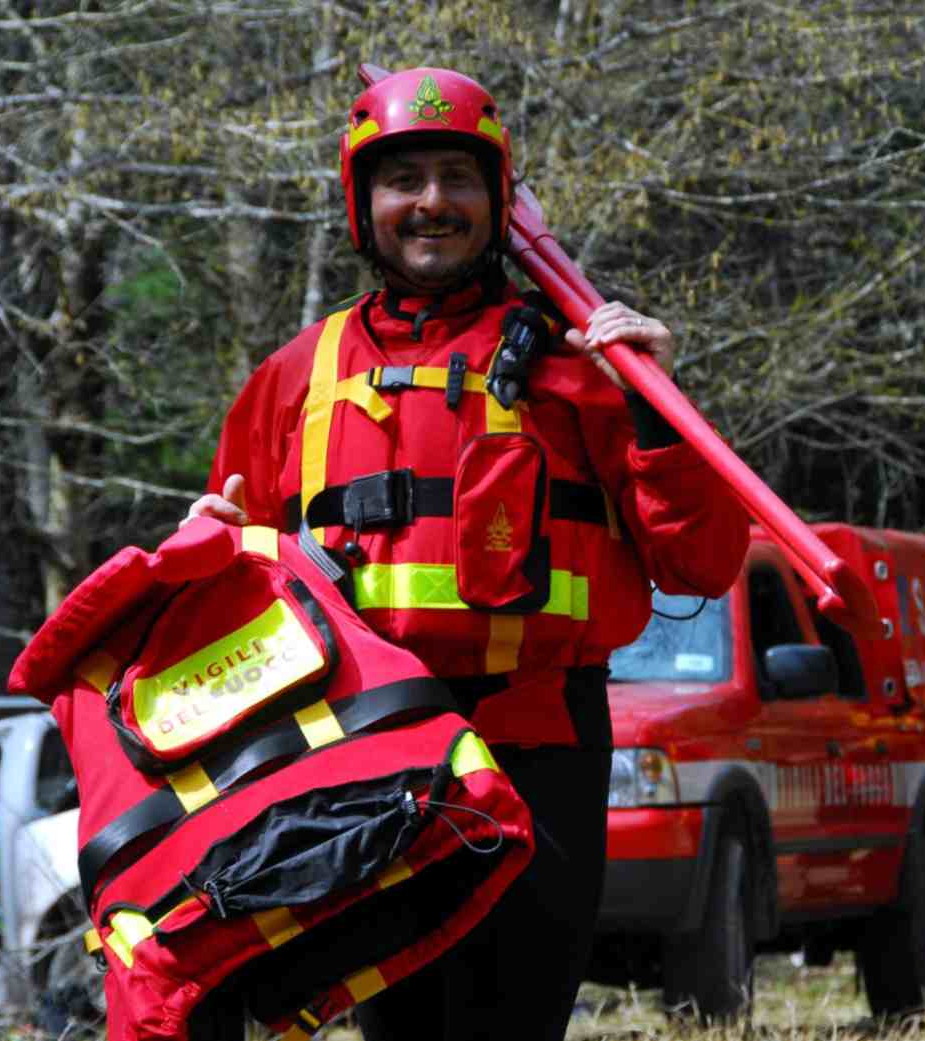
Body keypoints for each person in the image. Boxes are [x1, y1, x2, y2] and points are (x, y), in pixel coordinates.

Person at [184, 65, 751, 1041]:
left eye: (459, 177)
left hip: (540, 748)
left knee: (510, 1024)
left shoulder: (584, 368)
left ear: (498, 199)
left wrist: (661, 410)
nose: (433, 203)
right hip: (361, 756)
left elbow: (700, 564)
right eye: (405, 180)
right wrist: (199, 548)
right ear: (364, 206)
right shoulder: (292, 379)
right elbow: (231, 576)